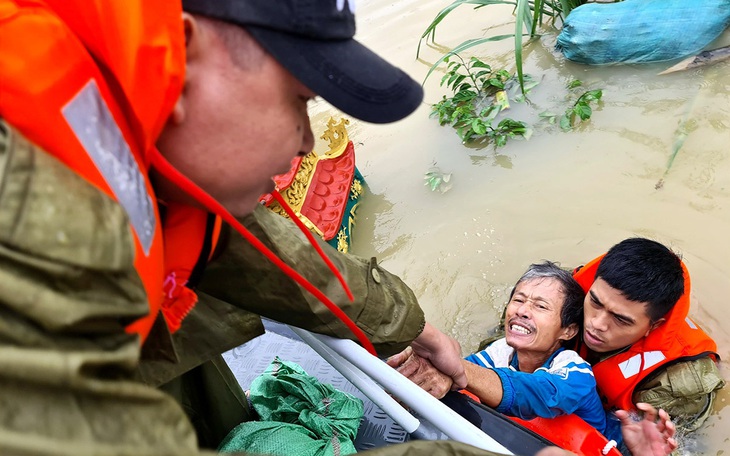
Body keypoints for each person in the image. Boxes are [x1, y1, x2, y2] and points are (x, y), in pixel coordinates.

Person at [389, 261, 622, 443]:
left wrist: (456, 369)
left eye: (540, 306)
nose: (522, 310)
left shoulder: (577, 373)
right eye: (518, 300)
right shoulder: (501, 351)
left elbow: (538, 394)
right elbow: (461, 376)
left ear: (568, 331)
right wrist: (427, 372)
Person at [572, 237, 725, 433]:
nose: (596, 323)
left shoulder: (674, 386)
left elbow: (677, 446)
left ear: (653, 326)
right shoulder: (563, 293)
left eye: (621, 319)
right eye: (595, 302)